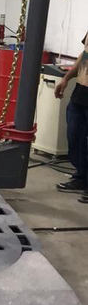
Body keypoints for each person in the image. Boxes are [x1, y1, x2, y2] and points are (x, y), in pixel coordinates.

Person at [55, 32, 88, 201]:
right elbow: (84, 55)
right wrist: (66, 78)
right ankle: (82, 178)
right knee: (75, 137)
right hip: (80, 93)